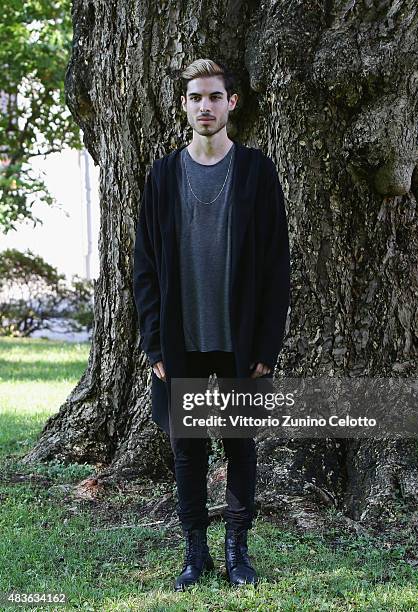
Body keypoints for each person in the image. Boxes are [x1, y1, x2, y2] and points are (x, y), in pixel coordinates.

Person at [132, 58, 290, 591]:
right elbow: (145, 268)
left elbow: (276, 266)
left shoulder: (256, 172)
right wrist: (154, 342)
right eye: (196, 97)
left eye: (215, 96)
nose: (205, 105)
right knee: (189, 450)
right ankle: (195, 554)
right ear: (184, 104)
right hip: (182, 340)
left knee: (240, 444)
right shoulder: (161, 176)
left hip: (240, 340)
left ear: (231, 103)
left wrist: (268, 342)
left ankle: (238, 553)